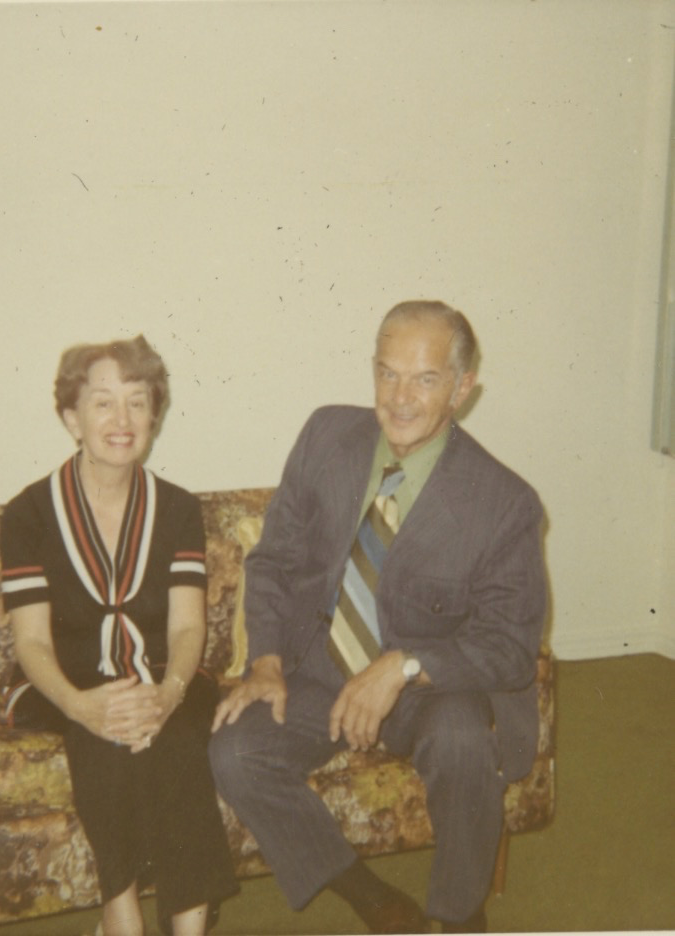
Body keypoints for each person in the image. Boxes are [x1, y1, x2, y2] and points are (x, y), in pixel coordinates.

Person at [209, 301, 546, 934]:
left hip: (429, 687)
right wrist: (267, 661)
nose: (399, 398)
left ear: (462, 389)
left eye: (425, 379)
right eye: (388, 373)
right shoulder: (327, 436)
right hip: (320, 668)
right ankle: (370, 897)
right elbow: (275, 559)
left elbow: (509, 646)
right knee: (235, 752)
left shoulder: (503, 503)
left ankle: (460, 914)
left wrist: (403, 666)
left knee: (463, 739)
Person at [0, 336, 237, 936]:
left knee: (179, 740)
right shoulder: (28, 513)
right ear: (71, 418)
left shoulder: (178, 509)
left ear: (154, 416)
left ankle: (188, 929)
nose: (122, 420)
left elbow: (188, 625)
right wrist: (81, 706)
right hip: (63, 680)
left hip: (161, 676)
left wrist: (168, 694)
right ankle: (122, 916)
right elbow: (31, 643)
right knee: (99, 738)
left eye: (137, 402)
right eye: (102, 402)